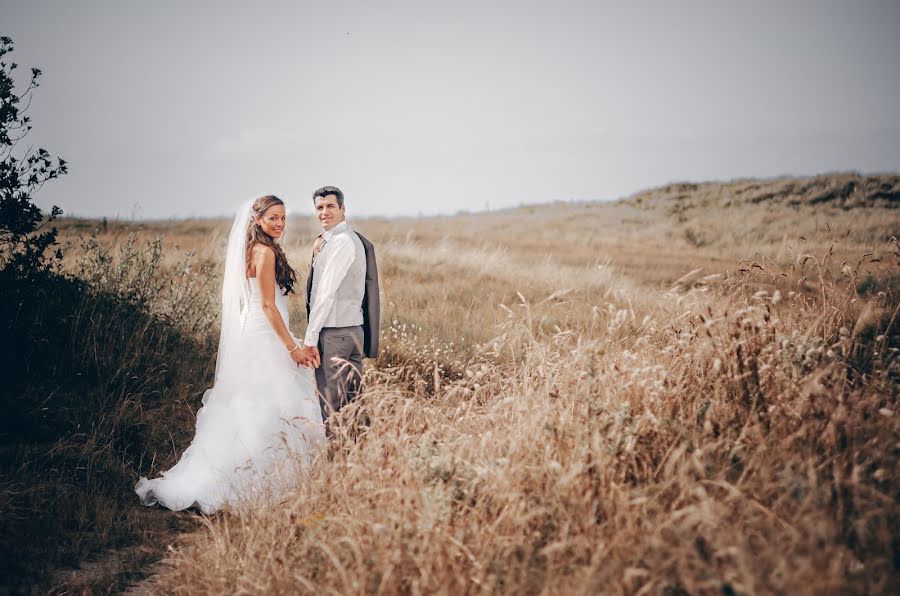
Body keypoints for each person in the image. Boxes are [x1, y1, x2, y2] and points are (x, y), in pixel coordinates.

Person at [135, 196, 325, 514]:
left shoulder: (253, 249)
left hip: (257, 332)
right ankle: (256, 483)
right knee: (270, 404)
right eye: (273, 218)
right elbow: (266, 306)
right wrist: (292, 348)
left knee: (248, 405)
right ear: (257, 219)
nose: (280, 223)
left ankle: (246, 475)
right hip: (265, 335)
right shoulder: (263, 252)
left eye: (283, 218)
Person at [298, 186, 380, 436]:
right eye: (319, 208)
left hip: (336, 335)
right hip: (349, 333)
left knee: (334, 411)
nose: (324, 212)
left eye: (330, 206)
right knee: (352, 408)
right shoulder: (334, 240)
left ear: (343, 209)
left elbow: (325, 294)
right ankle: (360, 464)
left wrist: (310, 340)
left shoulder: (342, 242)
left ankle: (340, 466)